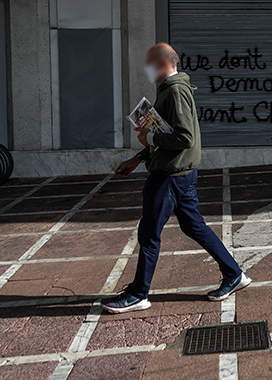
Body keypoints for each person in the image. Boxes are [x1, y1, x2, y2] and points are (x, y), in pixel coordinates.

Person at [101, 43, 251, 313]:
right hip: (178, 172)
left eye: (149, 63)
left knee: (149, 234)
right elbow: (167, 133)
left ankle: (138, 294)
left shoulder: (176, 90)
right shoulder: (170, 89)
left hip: (170, 176)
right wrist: (138, 158)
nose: (146, 69)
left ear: (162, 63)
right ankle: (234, 274)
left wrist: (150, 137)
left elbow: (184, 137)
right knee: (194, 227)